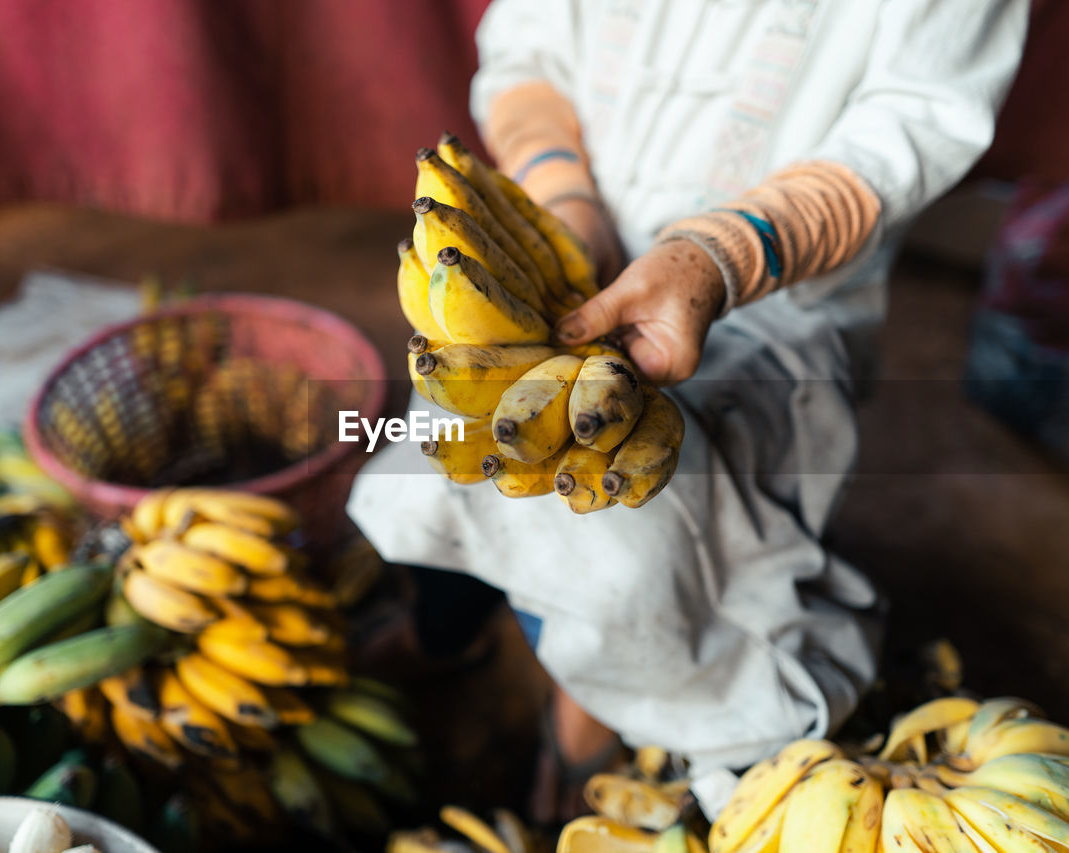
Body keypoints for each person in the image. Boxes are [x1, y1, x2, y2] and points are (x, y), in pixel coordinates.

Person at [348, 0, 1029, 824]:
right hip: (579, 248)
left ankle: (589, 717)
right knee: (454, 428)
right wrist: (567, 202)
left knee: (625, 534)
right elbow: (527, 55)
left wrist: (725, 254)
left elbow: (914, 125)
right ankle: (444, 621)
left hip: (785, 304)